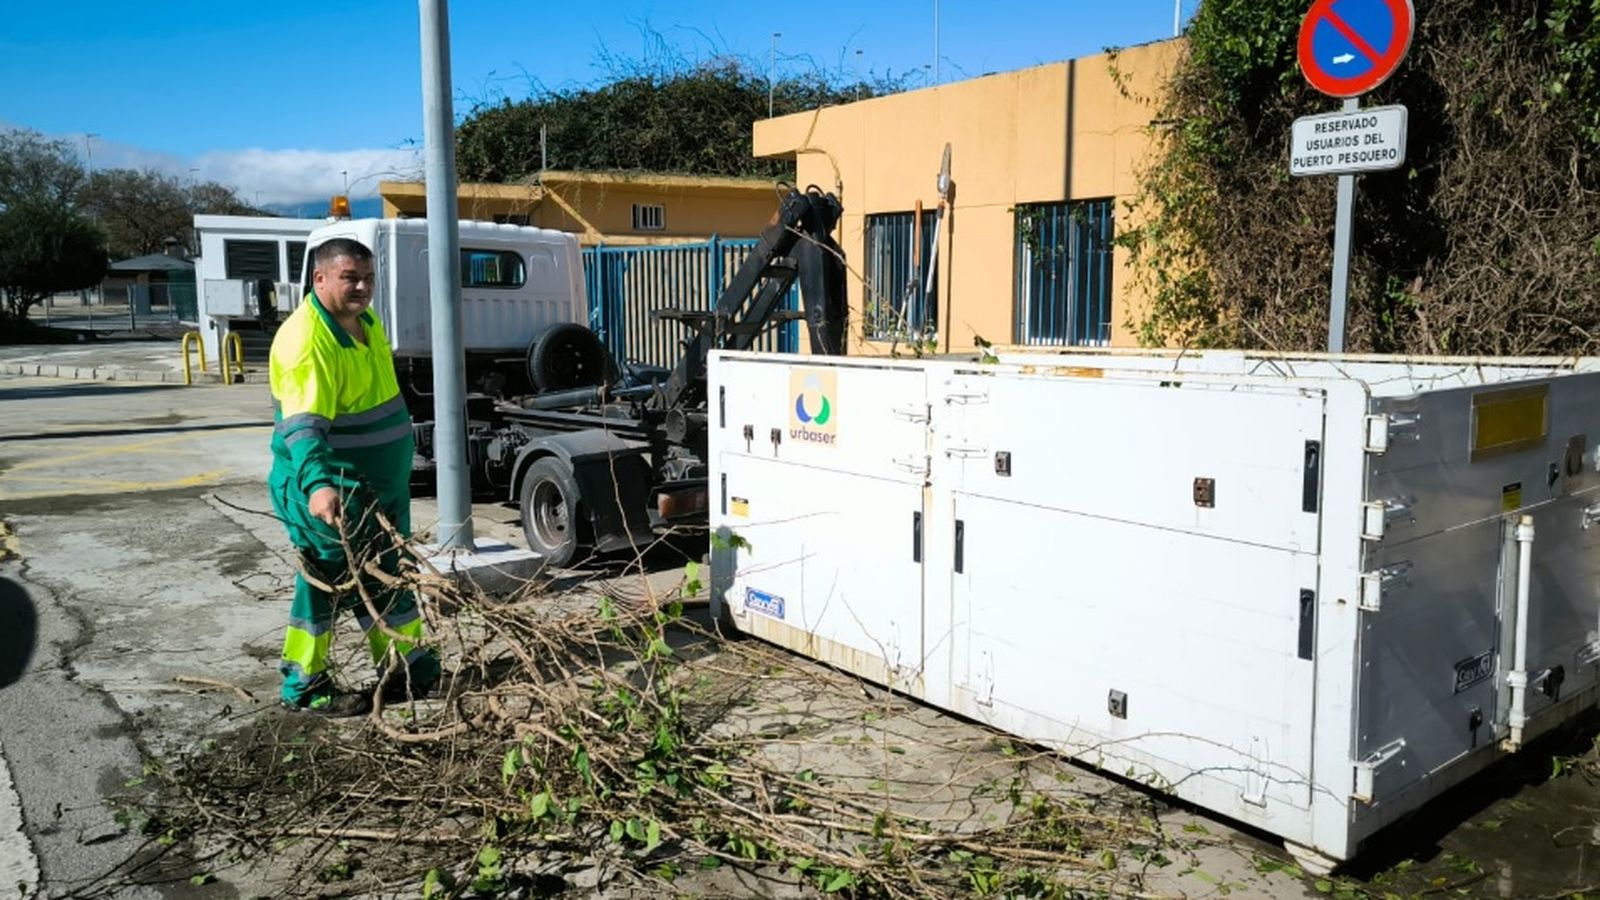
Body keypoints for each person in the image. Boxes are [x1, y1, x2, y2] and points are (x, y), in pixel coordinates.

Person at [267, 238, 439, 716]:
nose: (362, 287)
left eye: (367, 278)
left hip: (378, 490)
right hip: (332, 490)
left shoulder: (365, 323)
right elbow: (303, 427)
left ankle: (406, 666)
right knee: (326, 583)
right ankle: (304, 686)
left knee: (387, 574)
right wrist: (319, 485)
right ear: (319, 279)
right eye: (350, 278)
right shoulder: (307, 342)